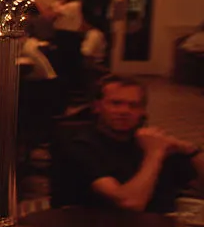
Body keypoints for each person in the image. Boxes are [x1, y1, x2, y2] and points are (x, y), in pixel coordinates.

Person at [51, 74, 203, 212]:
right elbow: (130, 203)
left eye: (134, 105)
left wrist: (190, 150)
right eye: (116, 103)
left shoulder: (147, 142)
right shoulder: (81, 145)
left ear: (143, 112)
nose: (124, 111)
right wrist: (154, 154)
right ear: (97, 107)